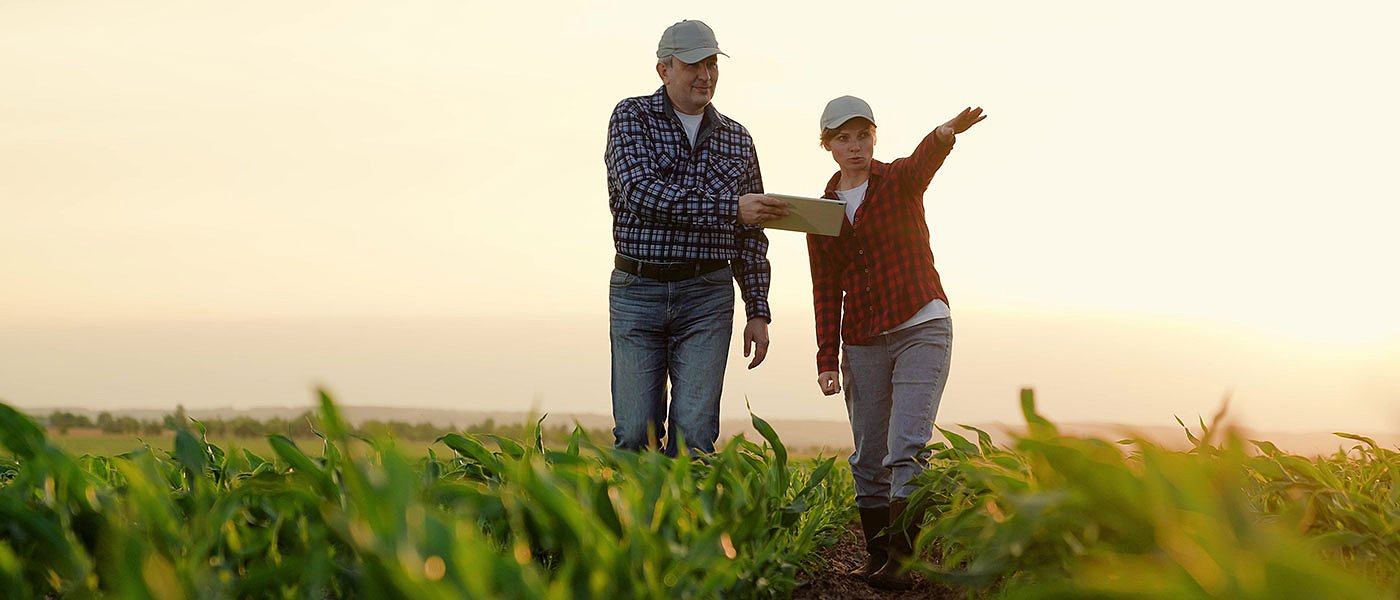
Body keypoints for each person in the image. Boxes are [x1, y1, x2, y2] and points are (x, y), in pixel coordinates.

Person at [806, 95, 985, 589]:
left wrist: (947, 131)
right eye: (844, 138)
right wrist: (826, 356)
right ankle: (876, 556)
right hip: (862, 338)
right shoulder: (821, 213)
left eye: (863, 135)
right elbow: (824, 288)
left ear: (874, 138)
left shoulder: (898, 182)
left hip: (920, 325)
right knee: (867, 456)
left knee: (905, 446)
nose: (855, 146)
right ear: (828, 146)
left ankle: (902, 563)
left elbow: (925, 158)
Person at [604, 20, 790, 456]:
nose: (705, 75)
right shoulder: (631, 117)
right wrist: (730, 207)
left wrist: (758, 309)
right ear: (663, 69)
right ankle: (637, 524)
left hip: (708, 294)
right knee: (634, 434)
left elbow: (751, 235)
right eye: (693, 65)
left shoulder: (738, 139)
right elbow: (641, 194)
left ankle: (686, 523)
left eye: (711, 63)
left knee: (695, 438)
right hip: (638, 292)